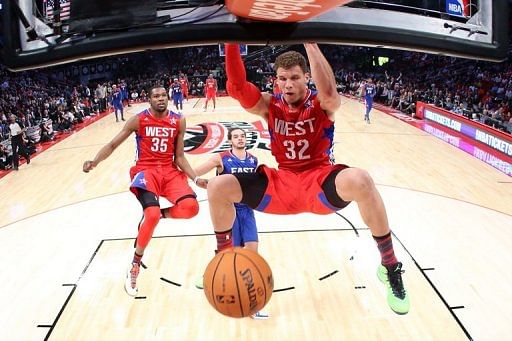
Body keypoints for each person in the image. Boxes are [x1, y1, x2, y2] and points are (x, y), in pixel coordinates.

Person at [207, 44, 410, 315]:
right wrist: (231, 43)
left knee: (361, 179)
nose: (288, 84)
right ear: (275, 79)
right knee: (218, 186)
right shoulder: (269, 104)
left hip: (319, 179)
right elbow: (237, 87)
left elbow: (330, 95)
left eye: (294, 77)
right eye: (282, 78)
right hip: (282, 182)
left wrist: (311, 43)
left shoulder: (320, 103)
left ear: (306, 77)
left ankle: (389, 267)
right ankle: (223, 257)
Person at [83, 85, 208, 296]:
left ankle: (158, 215)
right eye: (156, 96)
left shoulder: (178, 120)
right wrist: (94, 161)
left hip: (168, 171)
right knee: (150, 213)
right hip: (146, 170)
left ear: (168, 98)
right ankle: (135, 263)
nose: (160, 99)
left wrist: (195, 178)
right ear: (149, 99)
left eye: (163, 96)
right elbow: (113, 144)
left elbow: (179, 157)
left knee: (191, 208)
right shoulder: (139, 120)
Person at [194, 126, 269, 319]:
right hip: (230, 210)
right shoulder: (221, 158)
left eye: (242, 136)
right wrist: (200, 182)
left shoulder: (253, 160)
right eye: (236, 136)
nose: (240, 139)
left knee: (252, 253)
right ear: (230, 140)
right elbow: (195, 171)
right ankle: (211, 276)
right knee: (231, 255)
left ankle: (252, 304)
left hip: (248, 211)